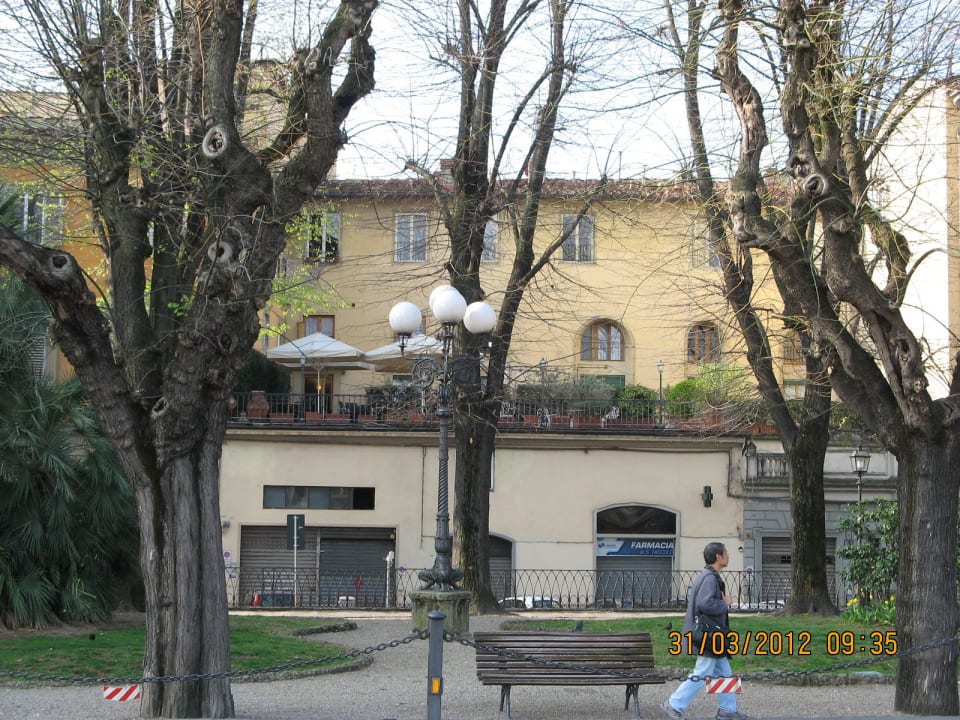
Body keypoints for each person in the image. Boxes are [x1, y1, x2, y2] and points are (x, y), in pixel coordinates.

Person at [661, 542, 747, 720]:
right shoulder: (709, 578)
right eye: (726, 553)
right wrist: (725, 603)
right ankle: (673, 704)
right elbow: (705, 603)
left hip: (713, 635)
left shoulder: (709, 576)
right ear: (718, 557)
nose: (728, 556)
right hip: (709, 636)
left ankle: (728, 710)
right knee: (701, 672)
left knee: (725, 673)